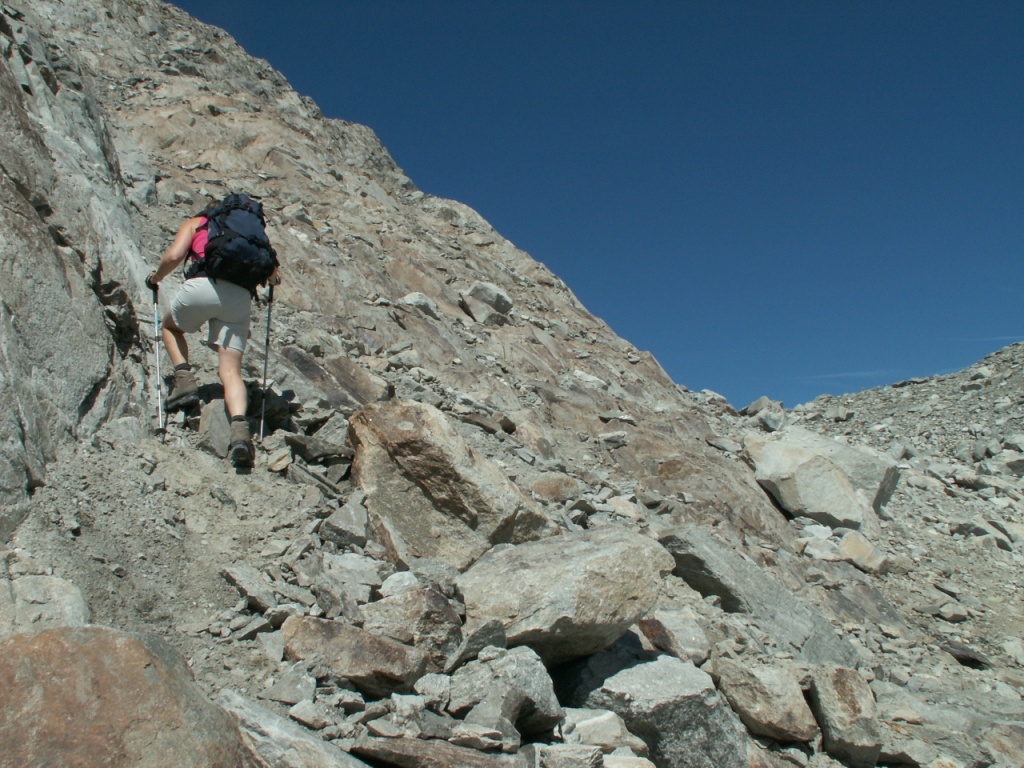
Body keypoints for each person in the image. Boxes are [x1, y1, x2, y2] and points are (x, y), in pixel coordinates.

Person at [146, 201, 281, 467]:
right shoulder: (251, 235)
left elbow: (173, 257)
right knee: (230, 370)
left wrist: (155, 278)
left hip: (202, 285)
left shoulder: (197, 223)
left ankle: (184, 380)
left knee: (170, 327)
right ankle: (240, 432)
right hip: (239, 297)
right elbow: (274, 277)